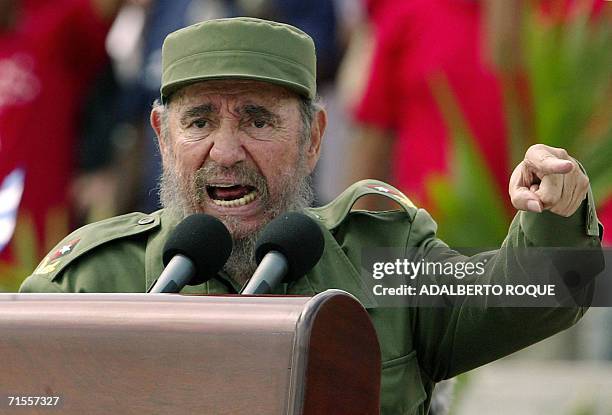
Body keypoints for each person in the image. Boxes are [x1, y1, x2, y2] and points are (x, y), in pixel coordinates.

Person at [19, 18, 603, 414]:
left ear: (313, 138)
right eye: (198, 122)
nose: (225, 151)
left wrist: (558, 211)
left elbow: (534, 291)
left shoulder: (379, 259)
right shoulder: (91, 284)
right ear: (162, 138)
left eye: (257, 120)